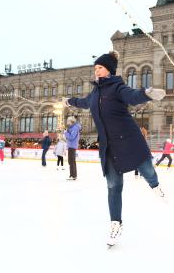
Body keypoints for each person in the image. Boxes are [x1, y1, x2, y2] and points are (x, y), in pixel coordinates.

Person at [64, 51, 166, 247]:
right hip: (109, 146)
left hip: (129, 140)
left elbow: (131, 96)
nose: (96, 71)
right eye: (95, 68)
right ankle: (116, 223)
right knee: (113, 186)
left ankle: (155, 185)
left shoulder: (117, 87)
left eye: (99, 68)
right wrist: (70, 101)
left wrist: (146, 93)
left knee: (147, 171)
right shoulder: (95, 92)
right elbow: (85, 103)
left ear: (109, 70)